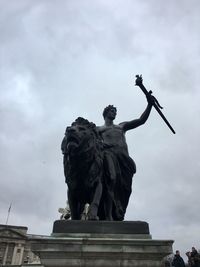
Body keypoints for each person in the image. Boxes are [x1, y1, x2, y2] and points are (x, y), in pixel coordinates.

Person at [97, 94, 153, 220]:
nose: (114, 113)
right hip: (109, 156)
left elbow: (140, 120)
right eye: (112, 111)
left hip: (123, 160)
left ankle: (118, 212)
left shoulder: (121, 126)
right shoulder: (99, 129)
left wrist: (149, 105)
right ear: (105, 113)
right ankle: (107, 215)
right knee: (111, 181)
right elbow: (92, 144)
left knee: (126, 189)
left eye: (115, 111)